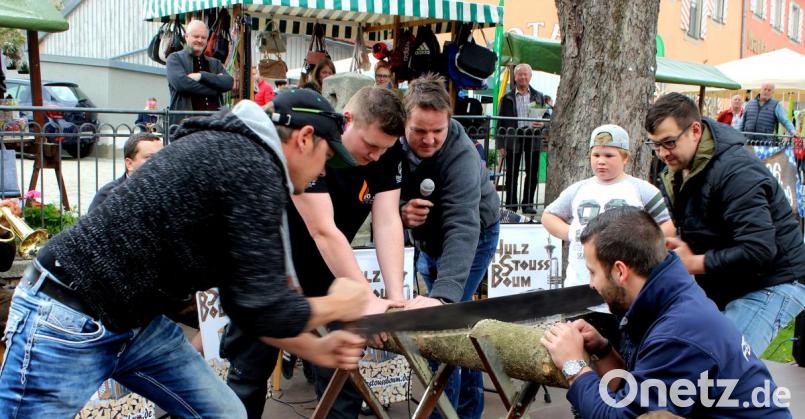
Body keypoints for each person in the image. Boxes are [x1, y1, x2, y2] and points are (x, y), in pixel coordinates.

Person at [0, 90, 370, 417]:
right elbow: (265, 309)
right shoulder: (253, 166)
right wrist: (341, 303)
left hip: (134, 322)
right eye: (327, 155)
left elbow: (248, 307)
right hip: (67, 311)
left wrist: (317, 348)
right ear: (305, 138)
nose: (324, 169)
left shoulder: (240, 158)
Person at [223, 86, 407, 419]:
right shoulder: (312, 145)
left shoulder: (387, 153)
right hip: (275, 272)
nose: (377, 156)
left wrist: (394, 301)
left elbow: (388, 222)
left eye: (386, 148)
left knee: (343, 381)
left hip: (331, 277)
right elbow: (322, 230)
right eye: (371, 145)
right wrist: (366, 298)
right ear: (347, 121)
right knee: (248, 378)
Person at [540, 206, 791, 418]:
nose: (592, 283)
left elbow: (621, 416)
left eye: (593, 271)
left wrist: (573, 364)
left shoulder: (678, 333)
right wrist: (604, 349)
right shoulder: (667, 299)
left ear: (620, 271)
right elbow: (633, 393)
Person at [645, 92, 805, 354]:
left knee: (723, 361)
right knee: (687, 354)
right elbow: (689, 223)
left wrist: (693, 263)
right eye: (655, 145)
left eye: (669, 142)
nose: (662, 153)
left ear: (695, 130)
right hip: (730, 280)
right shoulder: (682, 168)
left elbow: (758, 249)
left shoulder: (736, 172)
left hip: (776, 280)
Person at [399, 75, 500, 419]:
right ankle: (468, 414)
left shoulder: (461, 156)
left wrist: (442, 299)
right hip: (428, 238)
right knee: (463, 326)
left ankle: (446, 414)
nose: (428, 140)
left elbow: (463, 225)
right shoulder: (392, 140)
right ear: (404, 120)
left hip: (474, 235)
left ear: (448, 122)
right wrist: (401, 213)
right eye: (419, 131)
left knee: (443, 330)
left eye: (437, 132)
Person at [541, 124, 675, 287]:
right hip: (578, 285)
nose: (601, 161)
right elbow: (548, 216)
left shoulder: (642, 190)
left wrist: (641, 243)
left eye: (609, 155)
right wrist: (571, 233)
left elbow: (669, 224)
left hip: (625, 287)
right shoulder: (578, 189)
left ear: (625, 158)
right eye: (596, 155)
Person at [497, 63, 546, 214]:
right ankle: (511, 205)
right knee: (512, 173)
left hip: (532, 137)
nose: (523, 77)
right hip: (513, 137)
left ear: (530, 77)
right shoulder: (507, 98)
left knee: (532, 172)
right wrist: (501, 145)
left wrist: (542, 125)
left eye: (526, 74)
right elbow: (500, 122)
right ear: (515, 77)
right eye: (520, 74)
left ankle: (528, 204)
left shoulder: (538, 96)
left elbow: (545, 117)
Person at [166, 20, 234, 126]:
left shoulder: (214, 63)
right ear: (186, 36)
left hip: (214, 125)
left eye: (203, 37)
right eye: (196, 36)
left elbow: (229, 82)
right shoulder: (174, 59)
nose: (200, 40)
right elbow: (183, 85)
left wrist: (202, 76)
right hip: (185, 126)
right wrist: (216, 88)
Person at [87, 133, 164, 212]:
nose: (158, 162)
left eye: (161, 156)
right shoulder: (107, 197)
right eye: (149, 157)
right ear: (129, 164)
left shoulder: (167, 191)